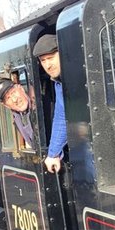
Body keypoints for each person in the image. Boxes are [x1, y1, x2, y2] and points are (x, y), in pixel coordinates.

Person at [33, 34, 67, 174]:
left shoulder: (68, 78)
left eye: (51, 58)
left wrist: (53, 153)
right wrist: (53, 153)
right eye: (43, 60)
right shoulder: (58, 82)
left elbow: (62, 116)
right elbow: (60, 114)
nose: (48, 65)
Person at [0, 75, 36, 149]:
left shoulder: (43, 103)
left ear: (20, 88)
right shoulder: (17, 120)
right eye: (8, 98)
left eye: (13, 92)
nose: (14, 100)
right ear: (5, 105)